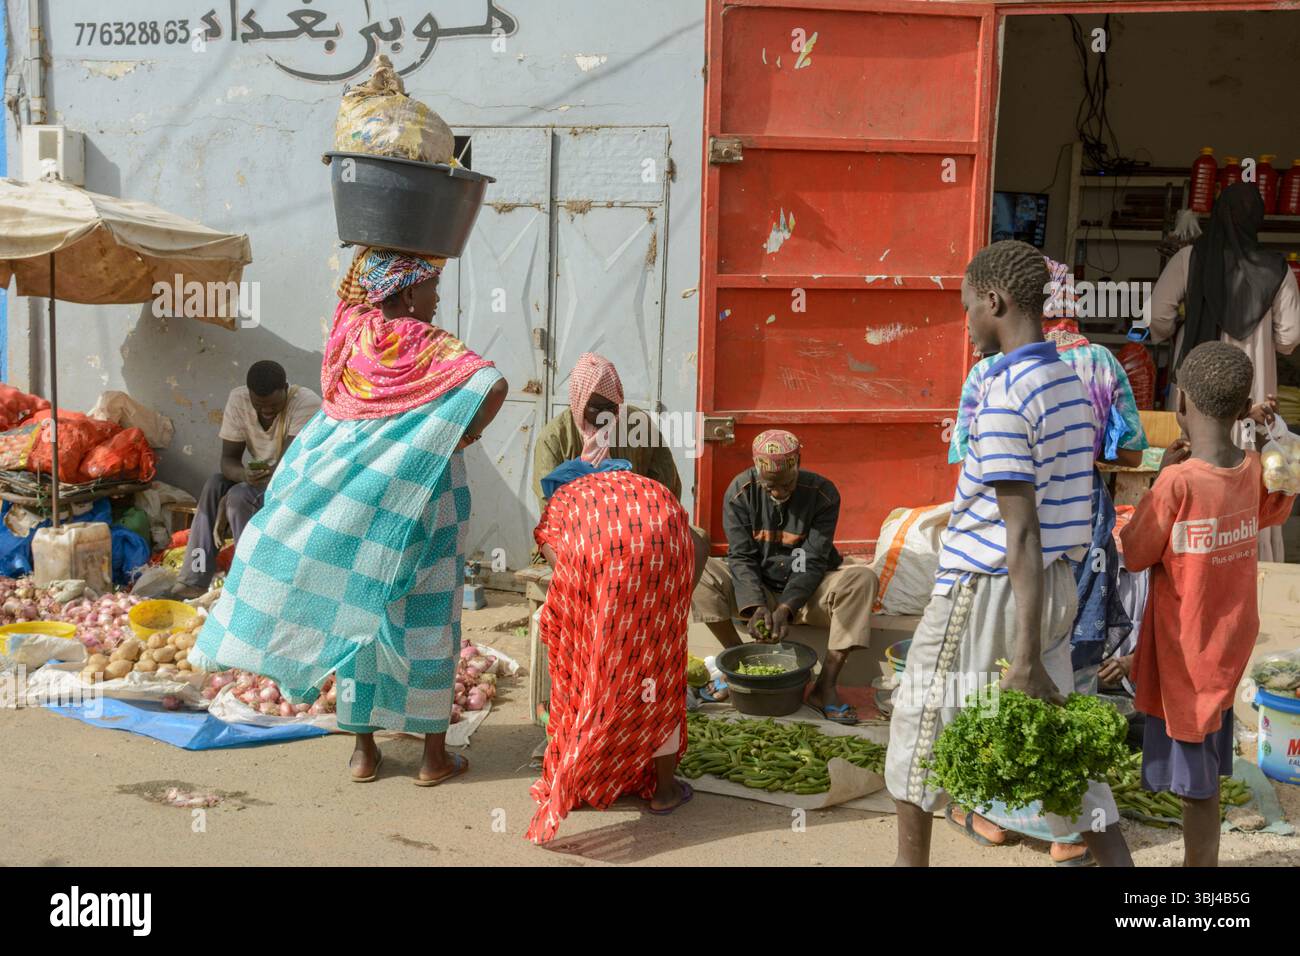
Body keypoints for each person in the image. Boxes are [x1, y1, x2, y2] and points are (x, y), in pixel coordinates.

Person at [192, 248, 508, 786]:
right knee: (430, 621)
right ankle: (432, 759)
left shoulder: (352, 337)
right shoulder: (427, 343)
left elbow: (351, 297)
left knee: (360, 617)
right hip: (427, 497)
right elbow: (494, 385)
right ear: (407, 293)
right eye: (431, 286)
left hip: (362, 502)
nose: (436, 299)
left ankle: (364, 753)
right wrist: (460, 434)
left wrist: (373, 250)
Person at [884, 240, 1132, 867]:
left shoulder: (1004, 395)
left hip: (988, 585)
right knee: (1051, 740)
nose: (965, 322)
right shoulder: (1069, 385)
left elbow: (1018, 530)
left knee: (915, 735)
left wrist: (1022, 656)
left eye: (968, 308)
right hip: (1050, 587)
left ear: (993, 301)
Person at [946, 256, 1149, 864]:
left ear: (1000, 301)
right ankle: (1069, 833)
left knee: (984, 688)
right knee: (1065, 672)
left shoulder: (990, 374)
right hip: (1077, 525)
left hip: (1005, 543)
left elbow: (967, 456)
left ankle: (991, 813)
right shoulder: (1099, 364)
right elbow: (1132, 451)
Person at [1119, 342, 1294, 867]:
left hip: (1188, 655)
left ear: (1181, 406)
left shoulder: (1177, 481)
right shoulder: (1251, 469)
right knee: (1207, 764)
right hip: (1227, 643)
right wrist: (1265, 440)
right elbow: (1276, 505)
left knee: (1197, 788)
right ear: (1243, 409)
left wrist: (1154, 488)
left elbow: (1134, 551)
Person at [527, 463, 709, 843]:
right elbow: (698, 542)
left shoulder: (563, 502)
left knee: (589, 678)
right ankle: (663, 791)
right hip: (665, 563)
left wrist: (590, 615)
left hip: (611, 578)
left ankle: (577, 780)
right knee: (656, 679)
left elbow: (559, 562)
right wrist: (674, 603)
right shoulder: (640, 488)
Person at [1150, 181, 1300, 560]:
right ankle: (1249, 557)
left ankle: (1188, 551)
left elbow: (1157, 319)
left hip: (1195, 388)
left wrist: (1184, 323)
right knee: (1250, 470)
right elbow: (1290, 338)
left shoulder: (1188, 259)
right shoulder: (1278, 270)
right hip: (1254, 389)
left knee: (1191, 460)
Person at [690, 429, 878, 724]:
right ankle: (738, 665)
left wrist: (786, 606)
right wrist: (755, 605)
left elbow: (812, 560)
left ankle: (824, 686)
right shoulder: (740, 492)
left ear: (798, 463)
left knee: (862, 581)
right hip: (759, 586)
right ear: (756, 471)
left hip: (808, 592)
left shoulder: (822, 494)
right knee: (701, 571)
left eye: (786, 483)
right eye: (769, 486)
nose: (778, 492)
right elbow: (741, 557)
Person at [175, 361, 321, 596]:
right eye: (259, 405)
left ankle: (248, 583)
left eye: (273, 405)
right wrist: (243, 475)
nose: (266, 411)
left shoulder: (306, 403)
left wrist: (238, 489)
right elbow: (228, 460)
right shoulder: (239, 399)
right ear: (249, 393)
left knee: (239, 495)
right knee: (215, 485)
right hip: (259, 480)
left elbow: (286, 470)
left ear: (285, 387)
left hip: (294, 484)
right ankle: (194, 578)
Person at [532, 352, 682, 510]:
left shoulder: (638, 425)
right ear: (579, 402)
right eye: (596, 408)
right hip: (576, 528)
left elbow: (667, 484)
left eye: (611, 407)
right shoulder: (554, 438)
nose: (605, 416)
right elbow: (549, 505)